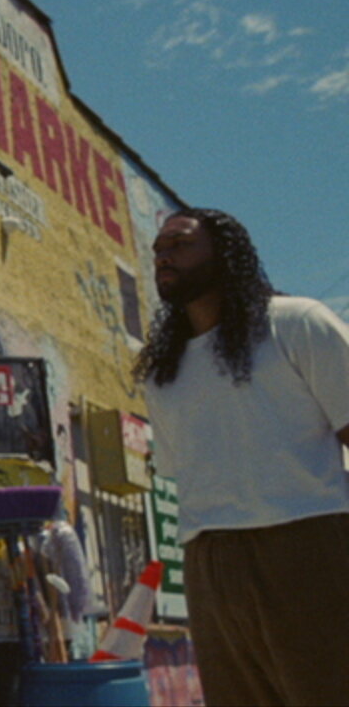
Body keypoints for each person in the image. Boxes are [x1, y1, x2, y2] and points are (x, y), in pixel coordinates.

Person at [136, 208, 349, 705]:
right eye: (158, 248)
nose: (163, 255)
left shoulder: (296, 323)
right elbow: (178, 470)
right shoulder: (162, 372)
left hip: (307, 542)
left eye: (180, 243)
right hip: (209, 559)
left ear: (225, 253)